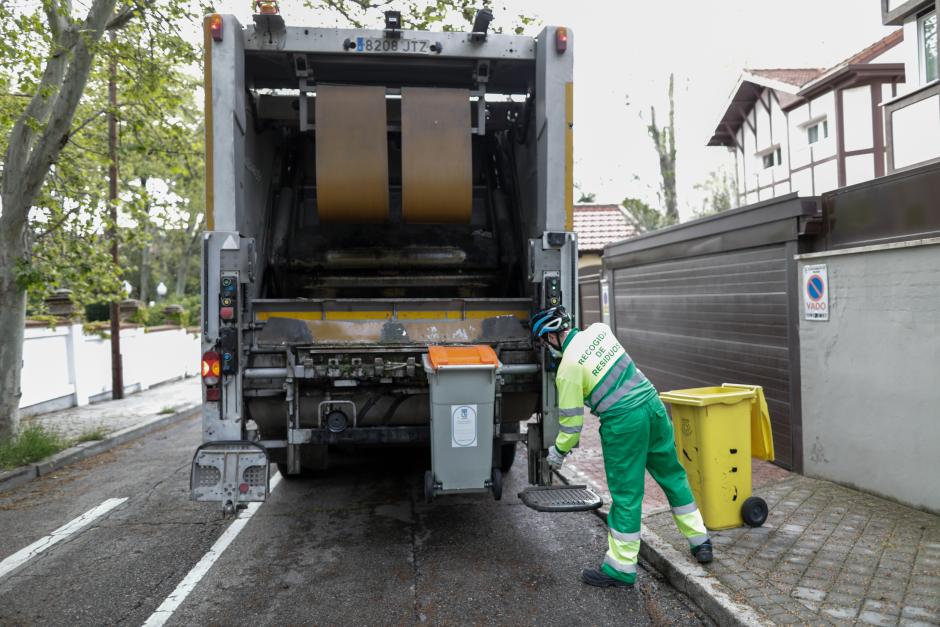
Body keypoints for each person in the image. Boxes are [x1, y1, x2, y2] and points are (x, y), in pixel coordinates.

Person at [531, 305, 713, 588]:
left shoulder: (567, 369)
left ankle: (621, 567)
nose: (547, 348)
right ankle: (700, 541)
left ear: (550, 338)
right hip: (653, 407)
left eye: (544, 343)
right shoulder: (600, 331)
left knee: (627, 496)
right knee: (674, 476)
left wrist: (557, 453)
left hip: (624, 423)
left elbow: (571, 426)